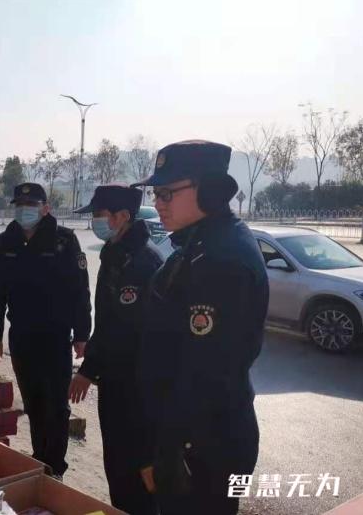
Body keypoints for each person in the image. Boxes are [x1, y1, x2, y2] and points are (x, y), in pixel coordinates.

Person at [134, 140, 269, 514]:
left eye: (167, 193)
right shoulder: (201, 243)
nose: (158, 202)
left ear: (210, 192)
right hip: (194, 439)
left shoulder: (221, 260)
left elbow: (205, 373)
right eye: (155, 193)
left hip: (203, 447)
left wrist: (168, 449)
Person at [0, 182, 91, 479]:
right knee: (33, 403)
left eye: (31, 205)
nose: (24, 210)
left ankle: (55, 467)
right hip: (22, 337)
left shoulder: (64, 241)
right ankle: (39, 459)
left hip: (55, 337)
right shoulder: (6, 241)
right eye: (19, 205)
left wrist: (82, 334)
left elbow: (80, 291)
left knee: (55, 406)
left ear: (45, 208)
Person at [68, 184, 162, 514]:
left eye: (99, 214)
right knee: (118, 466)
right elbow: (107, 320)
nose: (95, 221)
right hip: (116, 382)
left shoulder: (144, 262)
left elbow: (123, 329)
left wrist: (88, 370)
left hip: (137, 388)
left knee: (138, 472)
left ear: (123, 216)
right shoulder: (115, 252)